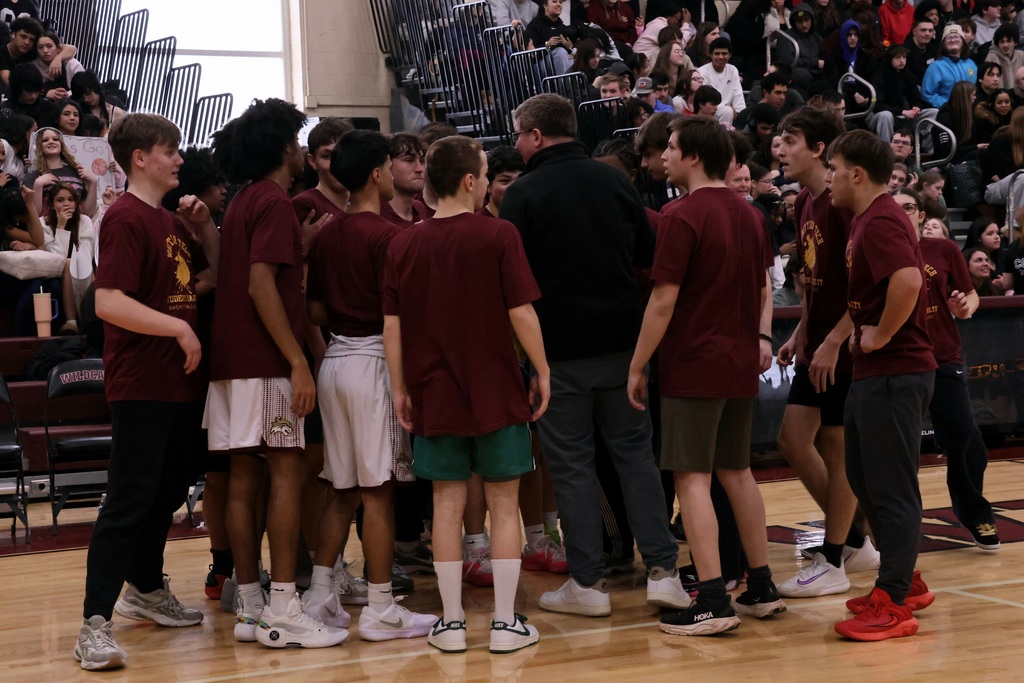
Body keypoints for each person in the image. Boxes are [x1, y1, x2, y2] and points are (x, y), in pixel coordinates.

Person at [500, 94, 686, 619]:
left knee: (574, 468)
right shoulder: (616, 183)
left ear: (536, 135)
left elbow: (515, 286)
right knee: (637, 460)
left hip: (557, 355)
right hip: (624, 349)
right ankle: (664, 574)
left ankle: (587, 583)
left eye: (518, 133)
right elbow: (647, 261)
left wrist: (532, 364)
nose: (515, 143)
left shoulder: (523, 194)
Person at [382, 135, 548, 654]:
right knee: (504, 505)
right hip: (497, 388)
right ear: (472, 180)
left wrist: (399, 387)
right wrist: (542, 369)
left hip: (434, 392)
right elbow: (521, 311)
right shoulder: (499, 235)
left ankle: (451, 623)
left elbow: (393, 325)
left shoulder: (403, 242)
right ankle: (503, 623)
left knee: (447, 505)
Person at [628, 115, 783, 636]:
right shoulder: (750, 214)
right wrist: (762, 339)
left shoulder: (680, 214)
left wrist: (637, 363)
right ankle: (761, 587)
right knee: (737, 472)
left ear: (694, 155)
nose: (664, 156)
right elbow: (764, 288)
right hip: (740, 360)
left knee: (692, 477)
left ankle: (713, 599)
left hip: (694, 363)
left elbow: (663, 298)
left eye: (670, 147)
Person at [74, 113, 219, 671]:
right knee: (130, 500)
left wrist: (205, 229)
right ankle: (94, 623)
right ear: (140, 158)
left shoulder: (171, 221)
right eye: (170, 150)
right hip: (143, 382)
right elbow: (108, 300)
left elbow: (209, 281)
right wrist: (179, 327)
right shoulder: (124, 218)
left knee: (165, 494)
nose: (179, 159)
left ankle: (145, 586)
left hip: (180, 382)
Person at [207, 98, 347, 649]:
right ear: (284, 148)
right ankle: (286, 603)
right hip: (268, 363)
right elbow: (260, 286)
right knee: (288, 473)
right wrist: (296, 361)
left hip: (232, 362)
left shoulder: (245, 200)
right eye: (295, 141)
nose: (300, 149)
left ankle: (251, 604)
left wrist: (301, 244)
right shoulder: (273, 202)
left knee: (245, 477)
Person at [303, 129, 436, 642]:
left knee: (342, 488)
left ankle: (319, 597)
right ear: (377, 173)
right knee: (378, 492)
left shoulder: (329, 233)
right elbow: (408, 314)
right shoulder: (389, 236)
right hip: (374, 360)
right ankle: (381, 607)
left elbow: (314, 310)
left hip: (334, 359)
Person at [825, 129, 937, 642]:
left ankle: (893, 599)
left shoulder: (881, 219)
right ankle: (903, 576)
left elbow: (909, 281)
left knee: (890, 485)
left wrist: (880, 335)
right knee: (864, 477)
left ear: (857, 173)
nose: (829, 178)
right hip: (880, 373)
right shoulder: (867, 219)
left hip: (896, 370)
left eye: (834, 168)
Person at [773, 107, 878, 600]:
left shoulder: (842, 204)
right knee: (793, 440)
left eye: (789, 140)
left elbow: (862, 290)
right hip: (818, 341)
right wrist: (803, 332)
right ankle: (854, 538)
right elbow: (814, 283)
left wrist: (834, 340)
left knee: (838, 452)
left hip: (845, 347)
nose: (780, 148)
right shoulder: (802, 203)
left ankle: (835, 557)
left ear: (818, 148)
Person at [898, 188, 1001, 550]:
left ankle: (976, 514)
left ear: (922, 215)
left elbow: (969, 294)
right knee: (897, 448)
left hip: (943, 357)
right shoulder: (881, 250)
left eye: (910, 207)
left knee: (965, 437)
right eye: (896, 209)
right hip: (899, 360)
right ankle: (888, 528)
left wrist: (965, 306)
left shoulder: (943, 251)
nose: (904, 213)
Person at [40, 182, 94, 334]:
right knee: (67, 263)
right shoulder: (42, 224)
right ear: (51, 204)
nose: (67, 204)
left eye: (71, 199)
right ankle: (72, 322)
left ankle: (90, 321)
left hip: (83, 270)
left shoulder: (84, 221)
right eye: (60, 200)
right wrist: (61, 227)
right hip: (55, 273)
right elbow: (56, 260)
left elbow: (86, 255)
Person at [23, 126, 97, 216]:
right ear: (38, 147)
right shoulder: (32, 177)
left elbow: (87, 213)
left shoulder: (76, 172)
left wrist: (93, 183)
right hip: (48, 228)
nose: (51, 142)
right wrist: (38, 185)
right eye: (45, 140)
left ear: (61, 145)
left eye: (55, 139)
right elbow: (34, 215)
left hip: (75, 227)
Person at [870, 45, 935, 146]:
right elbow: (878, 105)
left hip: (902, 115)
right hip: (879, 115)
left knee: (934, 112)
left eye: (904, 57)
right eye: (898, 57)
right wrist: (903, 111)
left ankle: (930, 150)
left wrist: (916, 107)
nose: (902, 61)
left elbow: (916, 97)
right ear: (890, 59)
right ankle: (886, 153)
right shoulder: (880, 76)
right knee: (885, 115)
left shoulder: (907, 75)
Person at [922, 24, 979, 108]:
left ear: (963, 41)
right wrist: (950, 106)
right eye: (949, 38)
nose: (953, 40)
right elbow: (928, 94)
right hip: (946, 112)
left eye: (956, 37)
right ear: (943, 44)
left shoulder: (971, 64)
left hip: (969, 110)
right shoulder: (936, 67)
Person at [380, 134, 430, 229]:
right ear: (387, 164)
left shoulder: (420, 208)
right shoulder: (377, 213)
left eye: (422, 161)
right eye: (409, 160)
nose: (419, 169)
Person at [698, 38, 745, 126]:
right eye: (717, 54)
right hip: (708, 113)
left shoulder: (733, 70)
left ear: (730, 55)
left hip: (730, 113)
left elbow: (738, 97)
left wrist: (738, 113)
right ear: (710, 55)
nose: (720, 57)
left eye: (724, 54)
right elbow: (705, 100)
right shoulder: (702, 71)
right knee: (726, 111)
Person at [525, 0, 574, 74]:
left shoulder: (562, 27)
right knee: (560, 53)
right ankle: (562, 85)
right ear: (545, 6)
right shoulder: (535, 25)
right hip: (539, 64)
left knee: (575, 56)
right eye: (554, 2)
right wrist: (547, 44)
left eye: (560, 2)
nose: (558, 4)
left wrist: (570, 48)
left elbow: (569, 52)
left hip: (562, 61)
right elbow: (531, 53)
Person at [34, 30, 83, 99]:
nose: (45, 51)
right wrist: (46, 92)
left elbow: (85, 86)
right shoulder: (34, 66)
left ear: (59, 48)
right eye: (40, 47)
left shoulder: (72, 64)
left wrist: (65, 94)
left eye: (49, 46)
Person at [482, 145, 525, 218]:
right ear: (488, 185)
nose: (514, 187)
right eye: (505, 181)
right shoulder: (477, 224)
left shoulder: (533, 220)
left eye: (520, 180)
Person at [986, 25, 1024, 89]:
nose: (1005, 45)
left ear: (1015, 43)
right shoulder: (992, 57)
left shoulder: (1022, 55)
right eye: (1002, 42)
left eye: (1009, 41)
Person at [903, 19, 938, 86]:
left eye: (930, 31)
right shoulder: (905, 51)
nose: (927, 34)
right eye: (923, 30)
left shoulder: (934, 49)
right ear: (914, 31)